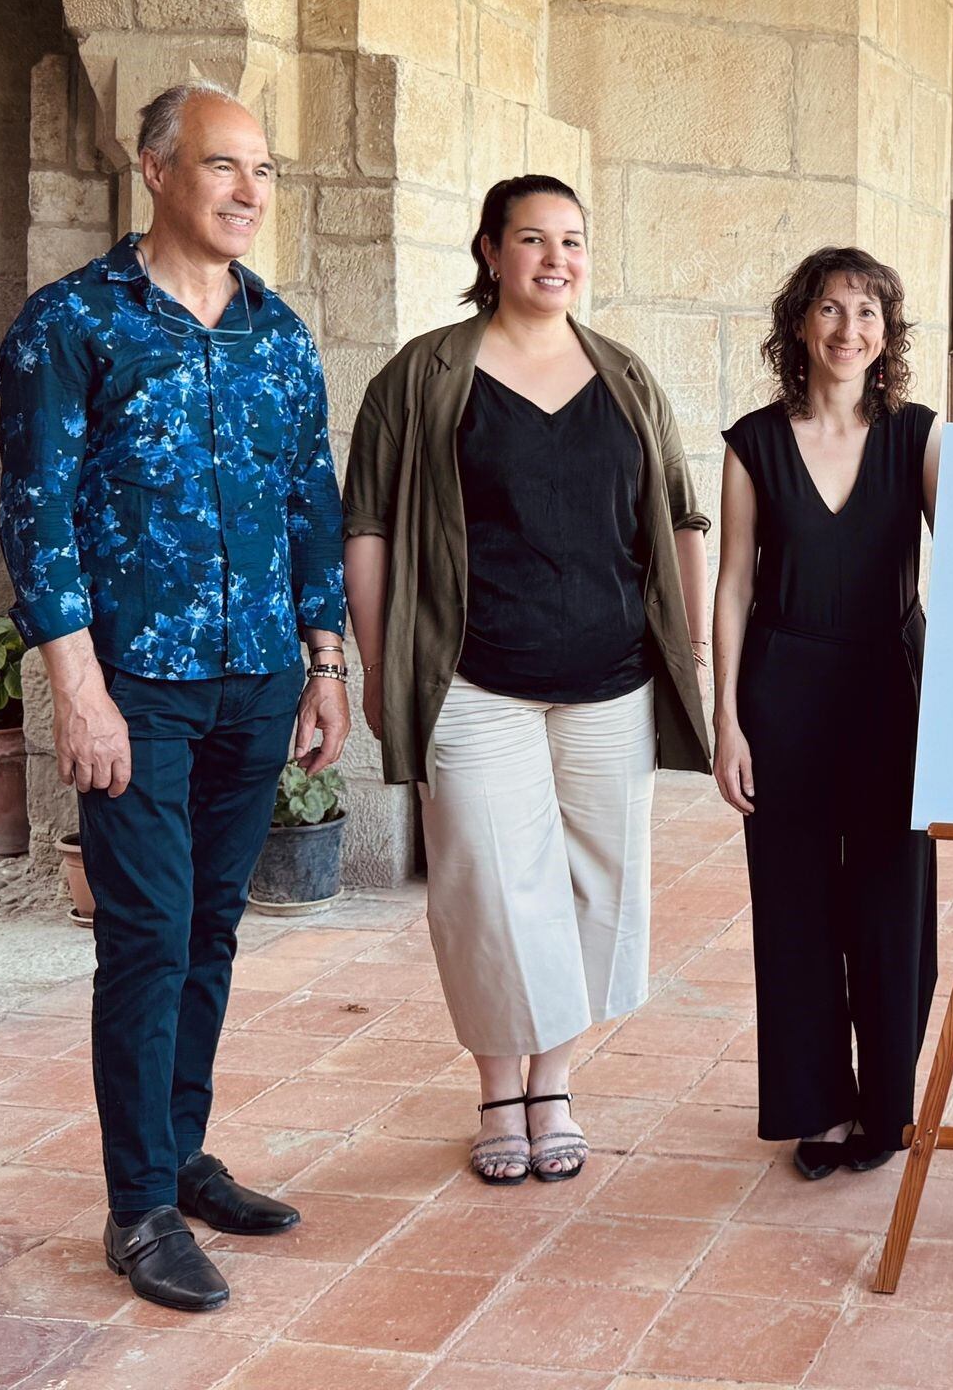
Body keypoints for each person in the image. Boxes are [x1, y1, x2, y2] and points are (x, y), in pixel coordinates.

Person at [0, 81, 347, 1311]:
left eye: (263, 170)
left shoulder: (279, 332)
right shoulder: (70, 327)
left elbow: (313, 503)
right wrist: (77, 693)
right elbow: (36, 523)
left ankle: (182, 1153)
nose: (250, 192)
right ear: (154, 171)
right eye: (222, 167)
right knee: (145, 940)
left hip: (256, 679)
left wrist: (324, 661)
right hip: (133, 685)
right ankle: (139, 1207)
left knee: (210, 930)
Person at [341, 175, 711, 1187]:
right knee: (491, 888)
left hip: (611, 679)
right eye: (533, 239)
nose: (556, 259)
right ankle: (498, 1090)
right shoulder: (423, 376)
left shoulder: (624, 375)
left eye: (573, 242)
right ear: (490, 252)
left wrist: (691, 660)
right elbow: (366, 525)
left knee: (598, 885)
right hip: (475, 677)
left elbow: (680, 519)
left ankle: (553, 1084)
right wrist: (380, 666)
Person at [711, 246, 942, 1180]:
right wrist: (724, 720)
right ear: (801, 324)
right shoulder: (752, 442)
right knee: (797, 907)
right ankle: (817, 1108)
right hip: (784, 690)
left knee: (894, 903)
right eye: (833, 311)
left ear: (888, 337)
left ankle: (885, 1106)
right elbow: (731, 587)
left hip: (893, 688)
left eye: (870, 315)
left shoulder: (919, 434)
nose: (851, 331)